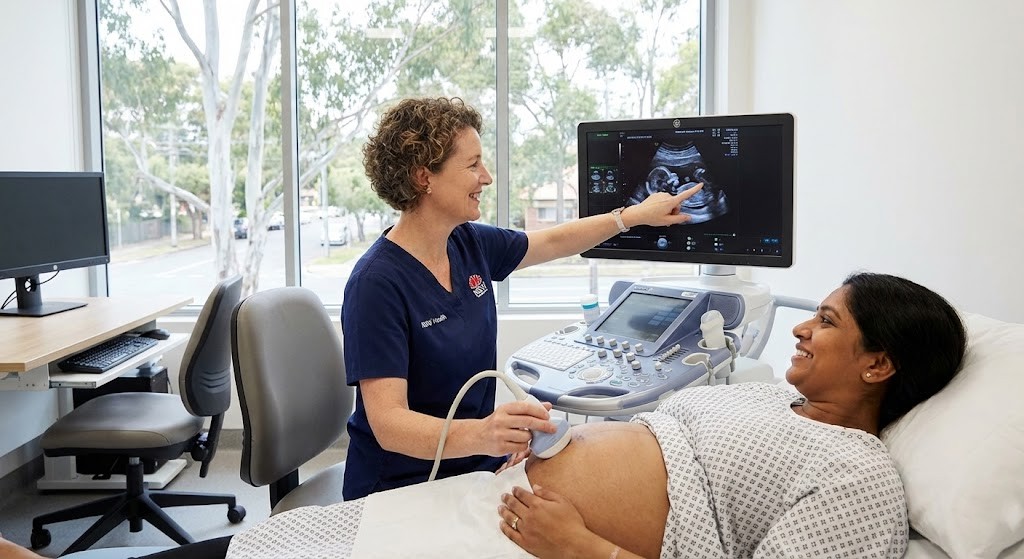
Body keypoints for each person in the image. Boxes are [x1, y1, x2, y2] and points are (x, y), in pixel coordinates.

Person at [0, 272, 967, 559]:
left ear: (880, 361)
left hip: (532, 538)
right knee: (278, 549)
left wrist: (578, 540)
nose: (802, 333)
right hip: (484, 506)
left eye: (827, 325)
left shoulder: (857, 476)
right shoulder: (767, 399)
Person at [340, 96, 703, 500]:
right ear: (424, 176)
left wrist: (632, 216)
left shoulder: (466, 243)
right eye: (473, 164)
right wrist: (483, 435)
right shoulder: (376, 284)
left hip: (473, 467)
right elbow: (390, 424)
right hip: (400, 488)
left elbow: (551, 241)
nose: (487, 177)